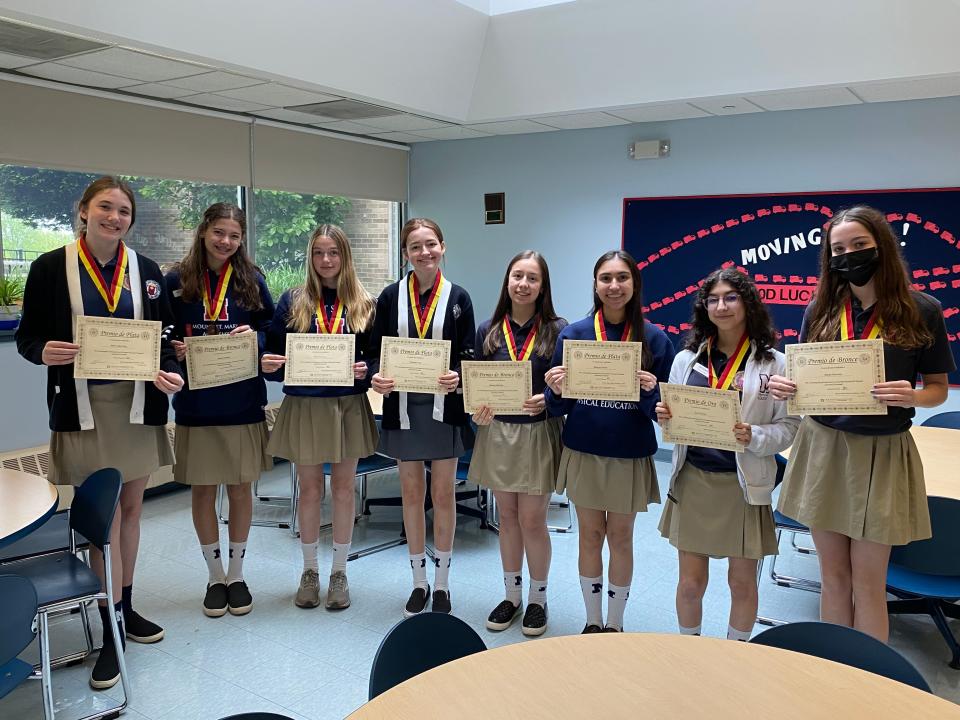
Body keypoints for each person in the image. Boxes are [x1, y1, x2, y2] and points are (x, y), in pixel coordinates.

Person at [15, 176, 183, 690]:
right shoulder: (50, 267)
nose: (114, 217)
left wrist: (169, 367)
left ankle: (125, 606)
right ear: (83, 211)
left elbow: (166, 337)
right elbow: (28, 336)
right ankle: (109, 622)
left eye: (123, 210)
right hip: (85, 412)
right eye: (105, 207)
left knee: (131, 512)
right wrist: (43, 351)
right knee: (101, 521)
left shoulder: (147, 272)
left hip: (135, 408)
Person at [768, 205, 954, 642]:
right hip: (823, 447)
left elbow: (938, 389)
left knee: (869, 583)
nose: (848, 255)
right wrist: (787, 387)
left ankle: (865, 684)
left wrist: (913, 395)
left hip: (882, 451)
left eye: (858, 245)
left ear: (882, 248)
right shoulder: (821, 308)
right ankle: (838, 671)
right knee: (832, 577)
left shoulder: (922, 309)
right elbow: (804, 377)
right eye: (838, 248)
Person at [655, 268, 799, 640]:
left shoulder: (776, 364)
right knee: (689, 584)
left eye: (731, 297)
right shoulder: (686, 359)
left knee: (742, 583)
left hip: (744, 485)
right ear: (704, 307)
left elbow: (789, 429)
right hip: (693, 481)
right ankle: (690, 648)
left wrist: (753, 435)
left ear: (748, 303)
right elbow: (675, 422)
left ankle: (737, 654)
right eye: (713, 299)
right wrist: (666, 417)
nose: (721, 306)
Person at [544, 249, 674, 633]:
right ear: (596, 285)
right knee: (590, 535)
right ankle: (592, 620)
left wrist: (652, 392)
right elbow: (557, 405)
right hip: (584, 448)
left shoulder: (654, 338)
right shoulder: (575, 334)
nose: (614, 286)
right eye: (606, 279)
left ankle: (615, 624)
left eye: (622, 278)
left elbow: (664, 414)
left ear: (635, 284)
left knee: (620, 536)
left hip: (628, 452)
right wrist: (555, 387)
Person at [165, 203, 275, 618]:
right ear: (204, 231)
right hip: (197, 402)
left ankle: (237, 573)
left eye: (234, 235)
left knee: (241, 488)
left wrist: (257, 339)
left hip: (242, 400)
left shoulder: (251, 278)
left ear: (242, 239)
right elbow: (164, 329)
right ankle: (214, 577)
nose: (226, 242)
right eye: (219, 233)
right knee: (203, 490)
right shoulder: (177, 279)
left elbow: (271, 330)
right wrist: (174, 350)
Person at [262, 224, 377, 610]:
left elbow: (377, 357)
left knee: (344, 490)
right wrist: (271, 365)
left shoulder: (363, 302)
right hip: (305, 405)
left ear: (345, 256)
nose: (326, 261)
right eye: (318, 253)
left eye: (333, 253)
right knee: (309, 490)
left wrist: (368, 370)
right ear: (310, 258)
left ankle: (339, 573)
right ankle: (309, 571)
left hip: (346, 406)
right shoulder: (292, 301)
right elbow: (274, 358)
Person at [369, 218, 475, 617]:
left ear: (443, 247)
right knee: (412, 495)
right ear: (405, 254)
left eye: (431, 244)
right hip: (402, 407)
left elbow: (467, 352)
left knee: (442, 494)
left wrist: (458, 374)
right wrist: (377, 374)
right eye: (416, 247)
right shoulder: (390, 296)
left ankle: (443, 583)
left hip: (442, 408)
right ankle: (418, 581)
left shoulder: (458, 297)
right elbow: (377, 349)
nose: (424, 252)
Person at [470, 251, 567, 637]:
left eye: (532, 278)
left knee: (532, 520)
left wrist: (550, 398)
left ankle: (538, 600)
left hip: (538, 432)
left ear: (543, 286)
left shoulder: (559, 329)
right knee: (505, 518)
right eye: (517, 276)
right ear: (507, 281)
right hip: (497, 433)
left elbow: (567, 385)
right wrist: (476, 408)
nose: (523, 285)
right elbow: (475, 384)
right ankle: (511, 595)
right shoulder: (488, 330)